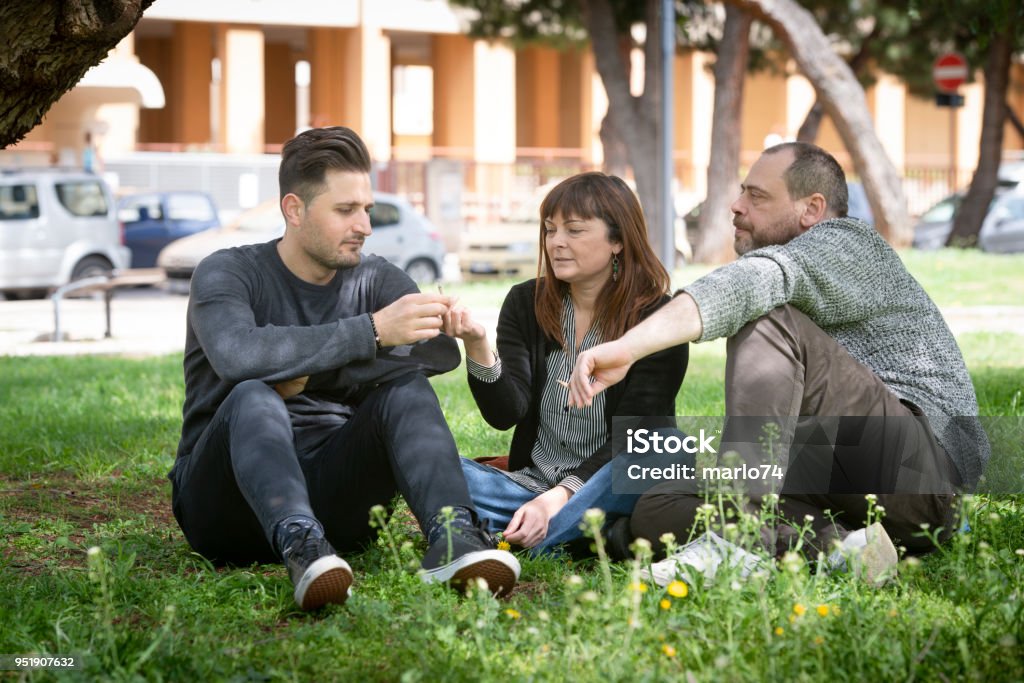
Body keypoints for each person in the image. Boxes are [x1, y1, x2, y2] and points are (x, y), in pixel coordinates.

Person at [568, 142, 989, 582]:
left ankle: (732, 540)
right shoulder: (801, 269)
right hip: (835, 485)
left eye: (757, 196)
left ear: (812, 208)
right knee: (661, 503)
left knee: (766, 314)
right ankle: (843, 547)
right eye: (741, 193)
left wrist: (627, 347)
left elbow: (749, 283)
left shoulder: (851, 243)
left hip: (923, 478)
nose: (736, 206)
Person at [169, 126, 519, 610]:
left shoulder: (374, 276)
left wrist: (312, 373)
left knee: (407, 389)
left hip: (337, 499)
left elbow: (437, 352)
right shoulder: (228, 272)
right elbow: (239, 356)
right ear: (294, 209)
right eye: (345, 210)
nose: (365, 226)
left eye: (367, 210)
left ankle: (455, 537)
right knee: (253, 393)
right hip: (225, 507)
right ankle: (300, 544)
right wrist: (370, 333)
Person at [443, 172, 689, 556]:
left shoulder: (657, 320)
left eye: (574, 230)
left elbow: (636, 434)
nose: (556, 242)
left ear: (618, 241)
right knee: (432, 465)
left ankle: (522, 537)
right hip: (529, 486)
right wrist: (477, 345)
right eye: (550, 229)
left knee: (669, 447)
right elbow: (506, 413)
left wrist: (559, 498)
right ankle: (577, 535)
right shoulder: (526, 303)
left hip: (607, 483)